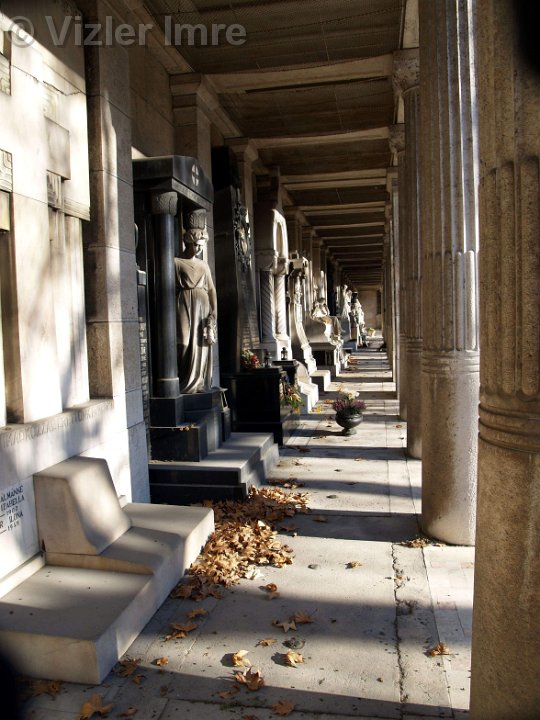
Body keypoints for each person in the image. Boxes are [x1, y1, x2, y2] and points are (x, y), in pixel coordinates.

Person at [175, 209, 218, 393]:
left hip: (203, 306)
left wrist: (214, 312)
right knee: (184, 343)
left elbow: (211, 289)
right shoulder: (176, 262)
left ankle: (199, 382)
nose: (199, 249)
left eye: (201, 246)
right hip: (184, 303)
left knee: (201, 343)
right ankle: (185, 382)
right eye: (196, 245)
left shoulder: (203, 265)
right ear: (188, 242)